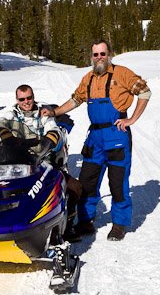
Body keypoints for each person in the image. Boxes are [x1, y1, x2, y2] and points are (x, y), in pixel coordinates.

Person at [41, 40, 150, 242]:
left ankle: (119, 224)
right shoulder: (88, 78)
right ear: (91, 57)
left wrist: (131, 119)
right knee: (87, 182)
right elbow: (75, 100)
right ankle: (85, 221)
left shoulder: (122, 74)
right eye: (96, 54)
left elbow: (145, 92)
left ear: (109, 54)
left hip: (117, 136)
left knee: (117, 183)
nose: (99, 57)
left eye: (102, 54)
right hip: (95, 138)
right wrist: (55, 112)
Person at [0, 84, 82, 226]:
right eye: (22, 99)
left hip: (43, 161)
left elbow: (52, 126)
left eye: (29, 98)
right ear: (17, 100)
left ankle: (67, 222)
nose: (26, 102)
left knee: (75, 188)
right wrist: (4, 133)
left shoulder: (42, 113)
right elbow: (1, 123)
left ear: (33, 97)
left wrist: (50, 138)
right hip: (18, 162)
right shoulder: (12, 114)